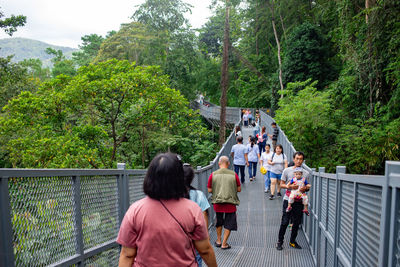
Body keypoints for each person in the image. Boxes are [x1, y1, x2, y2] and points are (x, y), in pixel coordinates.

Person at [117, 153, 217, 267]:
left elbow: (127, 254)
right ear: (179, 178)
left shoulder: (135, 210)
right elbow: (204, 250)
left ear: (149, 177)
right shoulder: (192, 209)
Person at [276, 151, 311, 251]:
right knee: (285, 221)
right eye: (297, 159)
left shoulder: (306, 173)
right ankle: (280, 241)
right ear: (293, 159)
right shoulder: (287, 171)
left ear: (303, 160)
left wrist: (305, 189)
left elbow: (307, 187)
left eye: (301, 159)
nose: (299, 161)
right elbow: (281, 184)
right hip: (288, 200)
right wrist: (289, 186)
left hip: (299, 201)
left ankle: (292, 241)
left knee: (296, 222)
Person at [207, 156, 241, 250]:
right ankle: (224, 243)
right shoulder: (234, 174)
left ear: (218, 163)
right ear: (228, 164)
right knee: (229, 223)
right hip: (230, 202)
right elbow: (239, 189)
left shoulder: (213, 175)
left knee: (219, 221)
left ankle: (218, 240)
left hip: (218, 202)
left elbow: (209, 189)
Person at [183, 164, 211, 267]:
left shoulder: (171, 195)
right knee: (197, 260)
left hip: (177, 239)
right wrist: (205, 235)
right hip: (195, 237)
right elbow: (204, 214)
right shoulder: (198, 194)